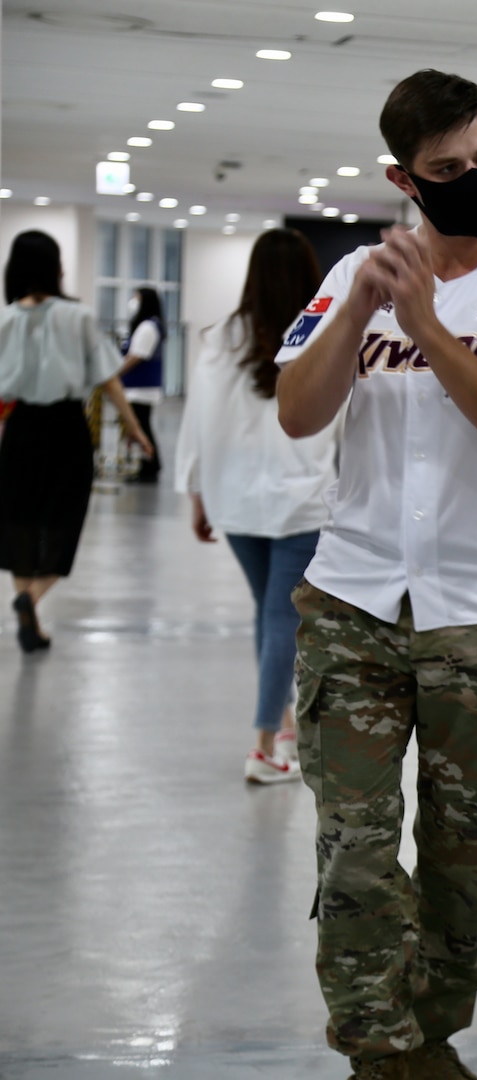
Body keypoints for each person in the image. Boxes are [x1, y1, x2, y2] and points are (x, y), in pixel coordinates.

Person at [275, 69, 477, 1080]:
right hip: (355, 604)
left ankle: (431, 1038)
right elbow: (296, 410)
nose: (475, 180)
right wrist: (361, 314)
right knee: (358, 852)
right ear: (403, 177)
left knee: (464, 865)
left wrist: (428, 330)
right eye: (448, 170)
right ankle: (380, 1054)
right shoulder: (352, 280)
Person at [175, 228, 339, 785]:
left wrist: (197, 492)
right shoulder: (322, 334)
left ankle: (282, 726)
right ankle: (264, 746)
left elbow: (199, 422)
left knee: (269, 617)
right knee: (280, 621)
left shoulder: (223, 338)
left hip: (235, 501)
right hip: (302, 501)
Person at [0, 230, 154, 652]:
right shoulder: (79, 316)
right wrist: (135, 429)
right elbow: (109, 380)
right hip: (66, 428)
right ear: (54, 267)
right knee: (65, 520)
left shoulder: (7, 318)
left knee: (21, 521)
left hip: (20, 427)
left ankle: (24, 601)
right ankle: (29, 601)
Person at [119, 285, 165, 482]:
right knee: (141, 426)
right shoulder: (148, 325)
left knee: (141, 427)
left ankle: (151, 464)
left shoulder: (149, 327)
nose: (133, 302)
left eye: (136, 298)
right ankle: (148, 463)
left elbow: (136, 356)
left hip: (141, 388)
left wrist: (113, 373)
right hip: (138, 387)